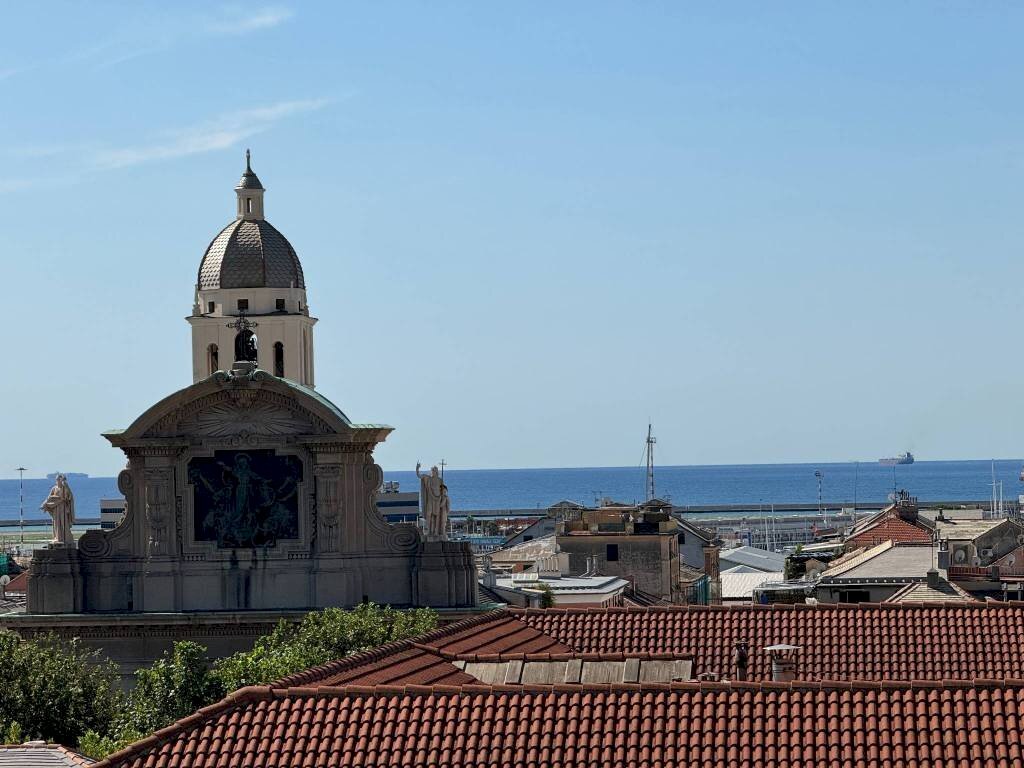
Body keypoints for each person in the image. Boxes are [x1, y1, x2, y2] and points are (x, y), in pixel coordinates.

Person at [41, 473, 75, 546]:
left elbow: (69, 496)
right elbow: (49, 497)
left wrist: (65, 485)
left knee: (63, 522)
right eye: (57, 479)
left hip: (63, 508)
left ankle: (65, 538)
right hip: (56, 509)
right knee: (56, 523)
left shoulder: (65, 487)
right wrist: (44, 504)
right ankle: (57, 537)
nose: (58, 481)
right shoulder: (54, 488)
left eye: (59, 479)